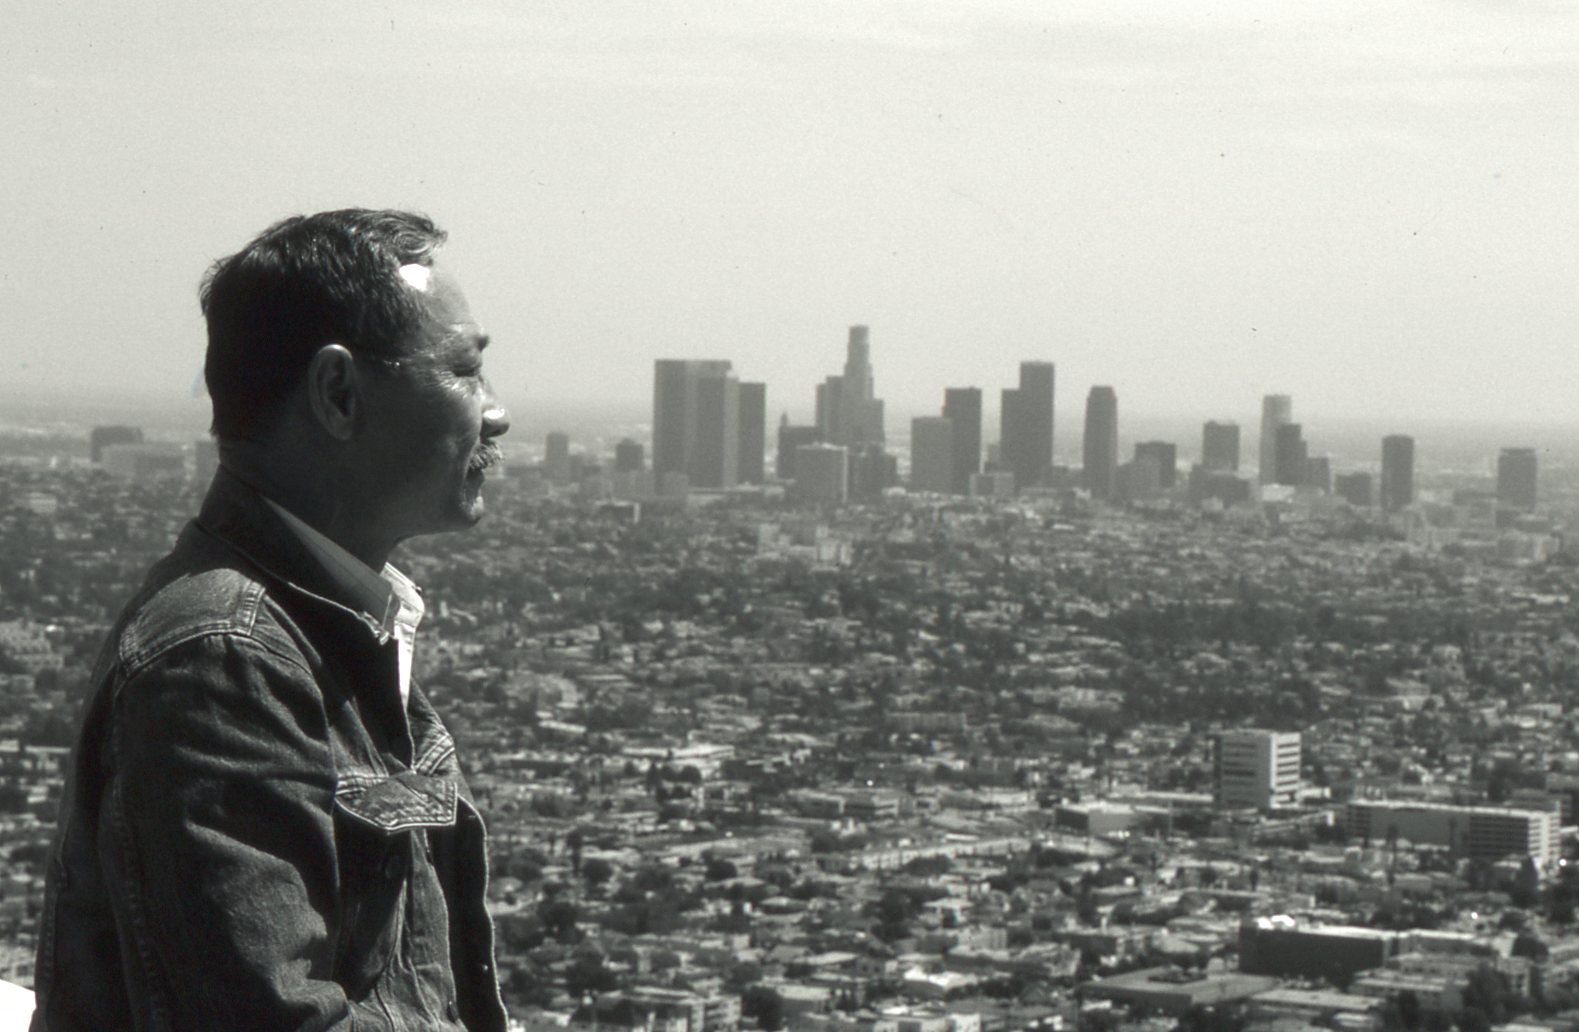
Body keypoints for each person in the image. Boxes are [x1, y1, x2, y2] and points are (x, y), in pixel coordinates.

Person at [31, 209, 511, 1030]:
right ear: (338, 394)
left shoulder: (316, 627)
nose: (494, 412)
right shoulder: (226, 656)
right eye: (465, 371)